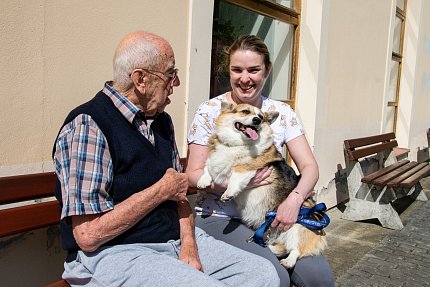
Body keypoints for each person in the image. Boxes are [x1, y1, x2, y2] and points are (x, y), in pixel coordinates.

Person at [53, 31, 280, 287]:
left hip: (175, 239)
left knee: (263, 275)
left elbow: (180, 195)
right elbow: (88, 235)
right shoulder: (89, 126)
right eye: (171, 74)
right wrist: (160, 191)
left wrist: (189, 245)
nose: (178, 82)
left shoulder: (162, 121)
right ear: (141, 79)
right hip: (115, 252)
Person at [186, 34, 335, 287]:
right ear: (229, 71)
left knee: (319, 279)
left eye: (254, 70)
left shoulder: (282, 113)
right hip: (220, 217)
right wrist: (241, 182)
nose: (245, 78)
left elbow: (309, 167)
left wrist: (295, 200)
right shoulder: (209, 111)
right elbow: (192, 174)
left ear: (266, 71)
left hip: (276, 215)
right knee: (274, 277)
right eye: (237, 70)